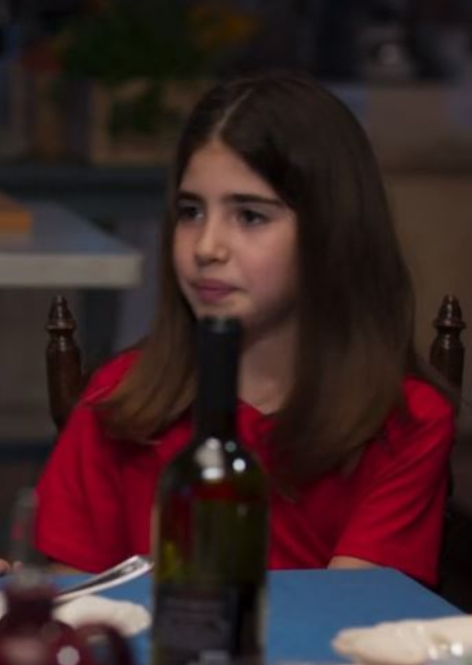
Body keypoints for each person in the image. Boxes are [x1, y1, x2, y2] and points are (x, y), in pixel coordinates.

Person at [34, 72, 455, 587]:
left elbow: (349, 612)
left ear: (331, 232)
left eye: (250, 216)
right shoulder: (117, 400)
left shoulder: (406, 424)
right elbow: (75, 604)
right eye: (191, 212)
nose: (207, 246)